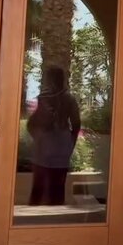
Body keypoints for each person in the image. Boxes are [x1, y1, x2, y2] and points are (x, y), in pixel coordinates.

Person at [27, 66, 81, 206]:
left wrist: (38, 137)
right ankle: (53, 215)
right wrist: (70, 144)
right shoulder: (68, 99)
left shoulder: (45, 98)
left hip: (47, 148)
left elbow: (31, 124)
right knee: (56, 189)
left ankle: (34, 215)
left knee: (39, 189)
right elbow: (76, 124)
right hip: (58, 149)